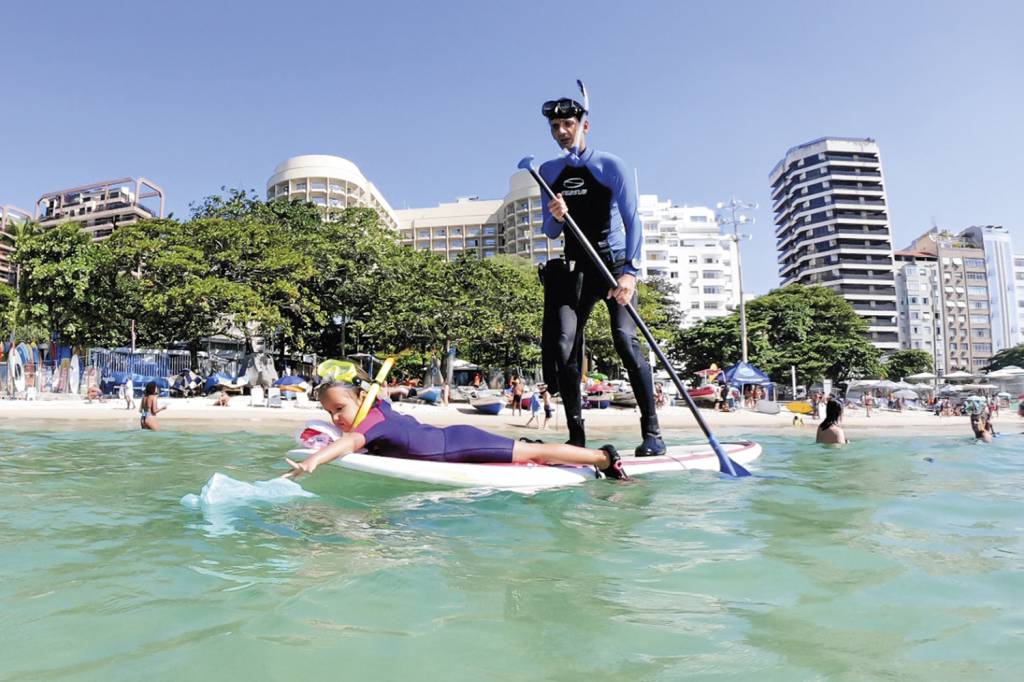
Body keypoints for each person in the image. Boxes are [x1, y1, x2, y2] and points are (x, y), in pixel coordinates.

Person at [537, 92, 665, 457]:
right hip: (576, 269)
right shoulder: (548, 171)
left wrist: (630, 274)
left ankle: (652, 433)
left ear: (584, 126)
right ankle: (576, 438)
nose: (562, 131)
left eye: (569, 124)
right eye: (555, 126)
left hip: (613, 265)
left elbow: (632, 219)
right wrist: (557, 214)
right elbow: (550, 231)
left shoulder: (611, 165)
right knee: (564, 347)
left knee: (625, 340)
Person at [285, 377, 629, 480]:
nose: (335, 418)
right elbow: (381, 399)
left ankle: (602, 457)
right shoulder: (377, 406)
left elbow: (348, 442)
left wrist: (314, 461)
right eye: (329, 412)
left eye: (340, 408)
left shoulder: (372, 421)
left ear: (362, 398)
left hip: (460, 443)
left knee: (534, 454)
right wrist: (393, 390)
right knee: (529, 453)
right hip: (452, 440)